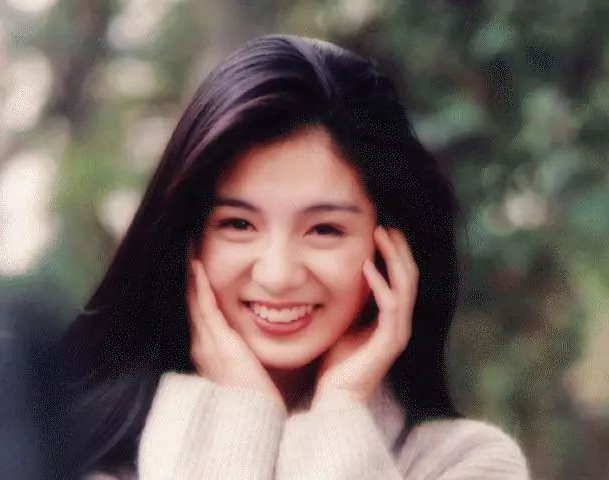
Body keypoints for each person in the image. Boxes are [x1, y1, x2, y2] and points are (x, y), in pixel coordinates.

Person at [45, 34, 531, 479]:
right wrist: (237, 414)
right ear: (186, 237)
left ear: (390, 247)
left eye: (324, 229)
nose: (277, 275)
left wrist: (340, 409)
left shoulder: (467, 463)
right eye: (238, 224)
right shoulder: (72, 456)